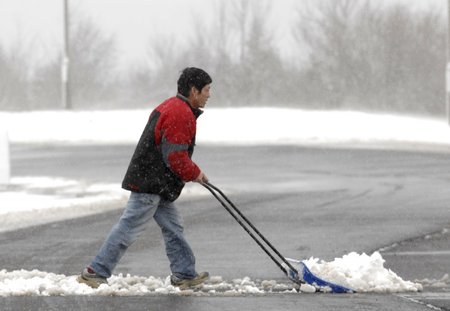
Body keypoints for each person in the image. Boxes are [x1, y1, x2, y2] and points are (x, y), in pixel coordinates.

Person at [77, 67, 212, 289]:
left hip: (156, 182)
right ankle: (96, 272)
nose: (209, 95)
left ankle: (184, 274)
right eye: (206, 89)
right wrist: (195, 173)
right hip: (151, 182)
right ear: (194, 90)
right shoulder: (180, 113)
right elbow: (175, 156)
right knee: (129, 227)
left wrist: (192, 172)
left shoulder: (172, 106)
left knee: (173, 227)